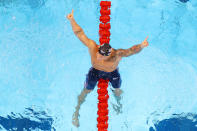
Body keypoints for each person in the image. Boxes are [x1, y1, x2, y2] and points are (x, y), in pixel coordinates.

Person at [66, 9, 149, 127]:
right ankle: (76, 112)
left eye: (101, 57)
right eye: (98, 54)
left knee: (117, 91)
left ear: (109, 55)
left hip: (112, 73)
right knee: (85, 91)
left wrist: (141, 46)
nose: (97, 57)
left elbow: (131, 51)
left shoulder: (117, 54)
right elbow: (80, 33)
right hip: (95, 72)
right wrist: (72, 20)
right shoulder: (93, 47)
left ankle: (119, 106)